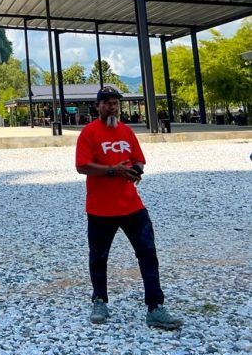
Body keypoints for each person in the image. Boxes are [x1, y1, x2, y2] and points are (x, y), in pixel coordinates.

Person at [75, 85, 183, 331]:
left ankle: (155, 307)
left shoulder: (126, 132)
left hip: (132, 205)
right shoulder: (89, 133)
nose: (112, 106)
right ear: (98, 106)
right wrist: (115, 171)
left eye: (116, 102)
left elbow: (139, 158)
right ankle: (100, 300)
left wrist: (137, 170)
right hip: (100, 208)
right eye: (107, 102)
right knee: (99, 257)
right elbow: (82, 166)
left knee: (147, 253)